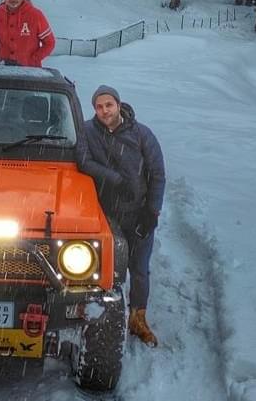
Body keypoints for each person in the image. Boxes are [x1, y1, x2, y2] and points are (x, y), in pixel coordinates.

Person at [76, 85, 165, 347]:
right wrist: (114, 179)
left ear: (118, 105)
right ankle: (104, 316)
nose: (104, 111)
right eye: (99, 107)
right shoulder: (87, 131)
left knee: (139, 268)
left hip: (138, 212)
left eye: (109, 105)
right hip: (105, 213)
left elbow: (157, 173)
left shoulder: (141, 134)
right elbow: (83, 161)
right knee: (107, 267)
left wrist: (153, 210)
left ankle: (138, 318)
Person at [0, 0, 55, 67]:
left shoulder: (35, 14)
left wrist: (34, 59)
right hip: (2, 68)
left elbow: (50, 42)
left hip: (29, 69)